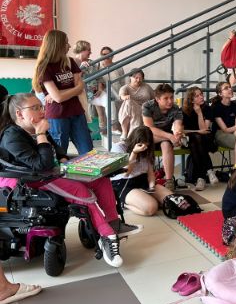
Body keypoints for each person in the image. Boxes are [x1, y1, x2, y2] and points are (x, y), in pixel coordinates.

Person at [0, 93, 135, 267]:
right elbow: (42, 165)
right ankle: (107, 236)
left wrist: (65, 161)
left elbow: (56, 150)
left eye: (41, 106)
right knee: (80, 191)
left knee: (101, 180)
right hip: (29, 181)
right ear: (19, 114)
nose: (42, 111)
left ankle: (113, 222)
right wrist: (41, 134)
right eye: (35, 108)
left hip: (51, 173)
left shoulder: (35, 127)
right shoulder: (12, 136)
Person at [32, 30, 93, 155]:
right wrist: (60, 94)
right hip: (57, 116)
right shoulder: (44, 67)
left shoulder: (70, 61)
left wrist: (57, 93)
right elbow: (59, 97)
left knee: (88, 152)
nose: (69, 46)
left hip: (77, 112)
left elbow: (80, 87)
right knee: (60, 155)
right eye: (66, 43)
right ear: (57, 45)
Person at [110, 126, 172, 216]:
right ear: (134, 141)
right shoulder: (119, 147)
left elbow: (150, 173)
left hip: (142, 180)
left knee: (171, 200)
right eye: (142, 144)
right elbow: (126, 173)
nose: (144, 147)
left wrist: (151, 186)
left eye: (147, 145)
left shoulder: (147, 149)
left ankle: (144, 198)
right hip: (123, 183)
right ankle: (123, 204)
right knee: (151, 208)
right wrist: (134, 153)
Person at [141, 84, 184, 191]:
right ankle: (147, 180)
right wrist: (170, 136)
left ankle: (169, 181)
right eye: (166, 98)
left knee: (166, 144)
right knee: (159, 139)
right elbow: (150, 128)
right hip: (148, 136)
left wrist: (177, 134)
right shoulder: (147, 106)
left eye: (171, 97)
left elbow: (178, 124)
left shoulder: (175, 108)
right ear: (157, 99)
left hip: (164, 137)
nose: (170, 101)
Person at [182, 87, 216, 190]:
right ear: (191, 100)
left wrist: (199, 113)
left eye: (201, 94)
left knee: (197, 140)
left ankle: (201, 178)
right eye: (197, 96)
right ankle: (209, 170)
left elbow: (204, 129)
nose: (201, 97)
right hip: (189, 140)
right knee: (195, 139)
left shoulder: (207, 109)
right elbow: (182, 130)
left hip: (206, 139)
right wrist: (196, 132)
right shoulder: (183, 110)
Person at [212, 81, 236, 169]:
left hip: (233, 132)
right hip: (220, 133)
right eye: (226, 88)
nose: (230, 89)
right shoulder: (216, 107)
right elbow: (225, 129)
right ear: (220, 94)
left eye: (230, 87)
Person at [118, 68, 155, 138]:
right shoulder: (125, 88)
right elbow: (122, 96)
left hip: (145, 109)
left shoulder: (146, 87)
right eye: (136, 78)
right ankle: (125, 132)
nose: (138, 80)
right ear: (130, 77)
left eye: (140, 78)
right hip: (132, 110)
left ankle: (131, 134)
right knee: (128, 102)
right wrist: (125, 97)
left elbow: (154, 98)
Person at [97, 46, 125, 134]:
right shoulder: (97, 68)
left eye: (108, 54)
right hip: (103, 94)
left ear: (112, 56)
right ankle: (105, 131)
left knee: (119, 114)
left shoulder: (118, 67)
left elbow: (122, 82)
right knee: (103, 114)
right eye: (103, 54)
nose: (106, 56)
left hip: (117, 93)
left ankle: (116, 129)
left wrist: (122, 94)